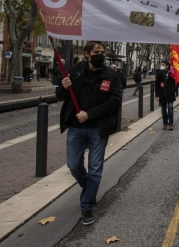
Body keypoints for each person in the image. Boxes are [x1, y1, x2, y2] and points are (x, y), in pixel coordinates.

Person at [57, 41, 121, 226]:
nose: (100, 54)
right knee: (74, 165)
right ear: (87, 54)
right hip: (76, 128)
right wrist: (63, 86)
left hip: (98, 128)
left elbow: (115, 101)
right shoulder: (75, 72)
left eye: (102, 52)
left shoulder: (111, 75)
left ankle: (87, 206)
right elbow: (61, 96)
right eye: (96, 52)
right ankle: (87, 187)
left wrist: (90, 114)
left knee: (95, 168)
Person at [155, 61, 176, 130]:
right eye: (161, 65)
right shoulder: (159, 74)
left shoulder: (172, 74)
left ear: (167, 66)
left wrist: (173, 90)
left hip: (170, 95)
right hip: (162, 95)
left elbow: (176, 82)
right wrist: (157, 95)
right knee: (163, 110)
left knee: (170, 108)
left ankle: (171, 123)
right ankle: (165, 123)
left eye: (163, 65)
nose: (162, 66)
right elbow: (157, 85)